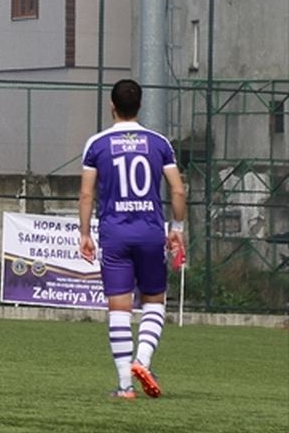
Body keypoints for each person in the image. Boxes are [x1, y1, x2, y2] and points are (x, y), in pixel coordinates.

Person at [79, 78, 186, 399]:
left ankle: (126, 385)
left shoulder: (97, 144)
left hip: (114, 234)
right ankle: (143, 360)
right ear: (140, 106)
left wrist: (84, 233)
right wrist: (177, 228)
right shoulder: (159, 143)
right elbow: (178, 190)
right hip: (150, 232)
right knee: (154, 301)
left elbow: (86, 194)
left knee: (119, 308)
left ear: (112, 106)